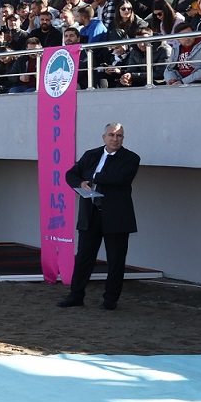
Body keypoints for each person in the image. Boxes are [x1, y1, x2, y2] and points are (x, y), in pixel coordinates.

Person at [57, 123, 140, 311]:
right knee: (84, 258)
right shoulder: (91, 155)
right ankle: (76, 296)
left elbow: (119, 178)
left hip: (116, 218)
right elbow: (70, 174)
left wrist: (93, 178)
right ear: (104, 137)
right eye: (111, 135)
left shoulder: (131, 158)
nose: (115, 139)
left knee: (116, 260)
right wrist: (81, 183)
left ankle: (110, 300)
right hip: (90, 214)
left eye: (119, 136)